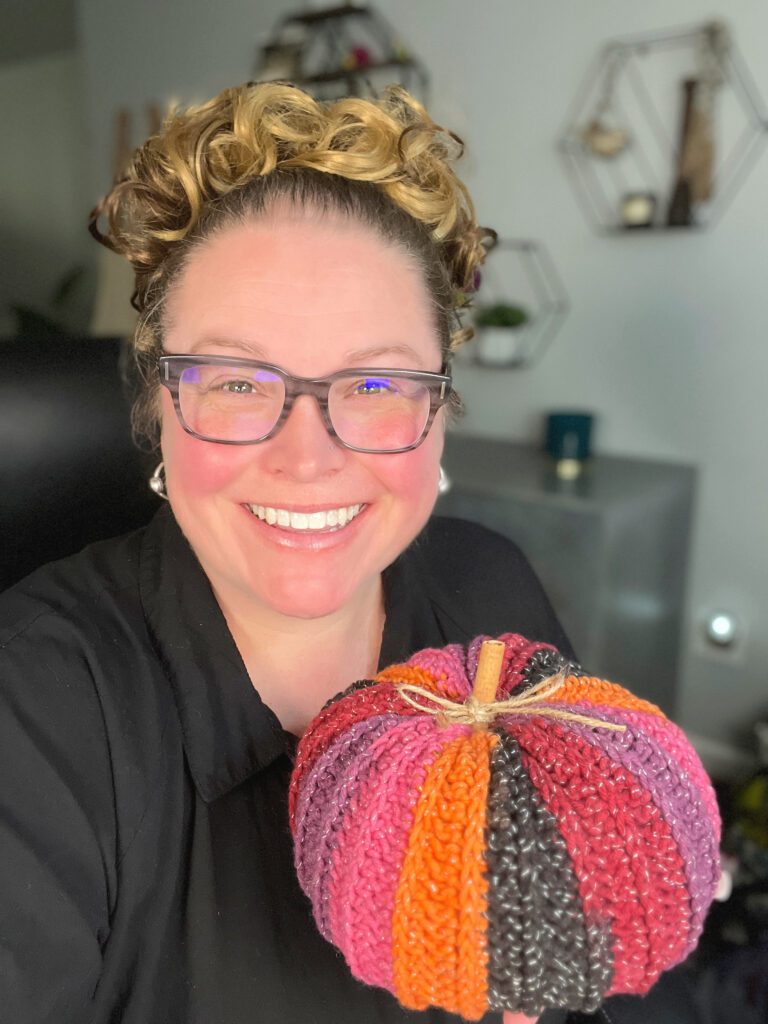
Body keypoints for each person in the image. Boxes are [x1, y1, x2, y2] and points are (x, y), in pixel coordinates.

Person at [0, 82, 695, 1024]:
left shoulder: (488, 587)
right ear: (162, 403)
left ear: (440, 410)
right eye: (241, 379)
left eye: (374, 381)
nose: (308, 456)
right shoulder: (33, 707)